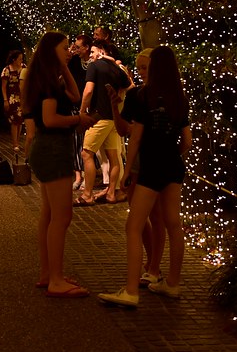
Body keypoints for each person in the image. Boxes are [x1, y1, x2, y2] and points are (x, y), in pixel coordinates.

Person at [98, 46, 191, 307]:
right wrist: (173, 154)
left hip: (150, 167)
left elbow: (135, 137)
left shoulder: (143, 95)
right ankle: (172, 283)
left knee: (134, 226)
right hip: (173, 166)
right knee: (174, 224)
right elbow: (187, 141)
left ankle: (130, 291)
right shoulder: (179, 98)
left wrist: (127, 173)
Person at [21, 31, 96, 297]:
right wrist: (78, 121)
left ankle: (48, 273)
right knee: (62, 217)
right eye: (65, 48)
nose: (70, 52)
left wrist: (63, 64)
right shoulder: (49, 84)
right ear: (52, 51)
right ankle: (55, 279)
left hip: (48, 149)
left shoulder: (48, 78)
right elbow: (50, 119)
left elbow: (75, 97)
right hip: (54, 150)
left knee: (49, 216)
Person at [109, 48, 165, 287]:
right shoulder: (135, 95)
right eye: (140, 68)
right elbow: (123, 129)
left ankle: (154, 267)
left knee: (158, 216)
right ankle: (151, 265)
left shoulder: (166, 96)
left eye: (146, 68)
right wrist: (114, 106)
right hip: (138, 161)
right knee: (138, 215)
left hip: (156, 161)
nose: (142, 72)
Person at [76, 38, 131, 206]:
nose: (90, 55)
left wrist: (82, 111)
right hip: (115, 118)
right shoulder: (116, 68)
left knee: (86, 153)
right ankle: (112, 194)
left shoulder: (94, 66)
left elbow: (88, 90)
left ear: (101, 51)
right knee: (114, 157)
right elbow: (128, 85)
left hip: (99, 116)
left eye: (92, 52)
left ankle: (87, 195)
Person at [69, 33, 92, 189]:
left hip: (88, 106)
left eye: (78, 47)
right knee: (74, 142)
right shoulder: (74, 62)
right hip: (74, 105)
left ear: (86, 47)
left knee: (86, 143)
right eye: (74, 46)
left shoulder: (93, 63)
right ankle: (77, 176)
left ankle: (86, 176)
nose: (76, 49)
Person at [1, 49, 25, 154]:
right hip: (12, 97)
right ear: (14, 59)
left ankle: (18, 142)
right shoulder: (7, 69)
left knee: (21, 120)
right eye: (19, 58)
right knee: (14, 121)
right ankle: (14, 143)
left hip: (22, 97)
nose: (21, 60)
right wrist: (5, 99)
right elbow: (3, 87)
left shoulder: (24, 68)